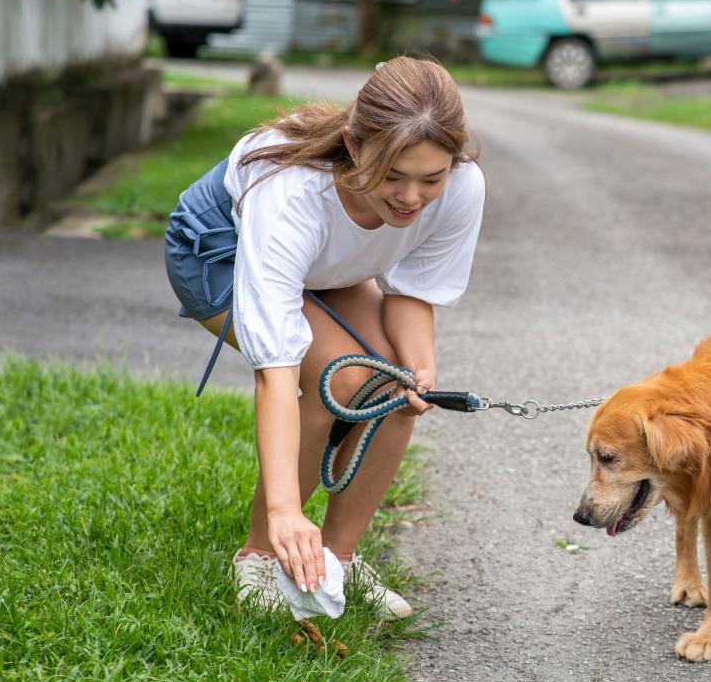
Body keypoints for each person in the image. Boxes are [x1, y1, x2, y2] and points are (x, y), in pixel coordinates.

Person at [163, 57, 485, 618]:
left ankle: (338, 559)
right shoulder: (291, 194)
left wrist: (420, 370)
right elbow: (278, 370)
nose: (411, 197)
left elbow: (413, 291)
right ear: (355, 147)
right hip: (218, 249)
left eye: (430, 179)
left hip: (327, 264)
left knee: (396, 386)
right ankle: (262, 555)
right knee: (346, 378)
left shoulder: (461, 188)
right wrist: (288, 508)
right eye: (394, 176)